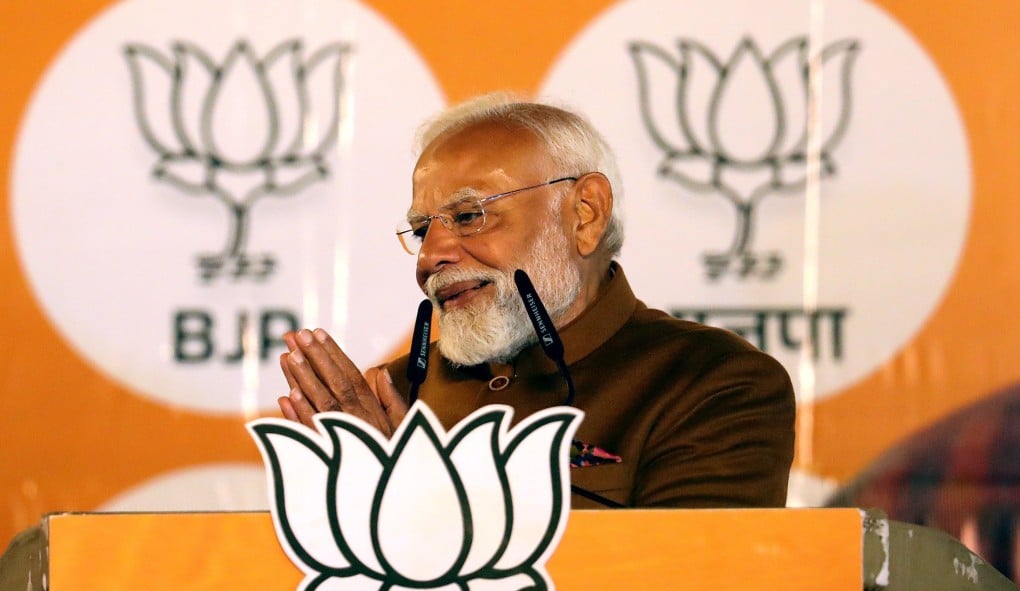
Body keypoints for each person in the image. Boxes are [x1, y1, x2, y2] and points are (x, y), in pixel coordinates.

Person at [277, 92, 795, 508]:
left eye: (468, 216)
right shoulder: (392, 396)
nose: (430, 255)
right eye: (419, 230)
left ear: (585, 213)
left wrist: (416, 503)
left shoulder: (714, 383)